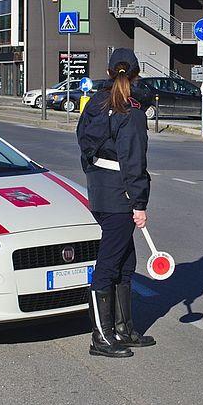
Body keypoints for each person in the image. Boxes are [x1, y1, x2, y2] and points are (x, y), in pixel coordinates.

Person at [76, 48, 155, 358]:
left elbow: (83, 145)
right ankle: (102, 336)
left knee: (126, 262)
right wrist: (139, 203)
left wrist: (96, 178)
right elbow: (134, 161)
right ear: (134, 75)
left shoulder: (95, 104)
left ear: (109, 72)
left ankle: (123, 329)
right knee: (108, 265)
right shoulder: (130, 111)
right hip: (121, 196)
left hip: (100, 190)